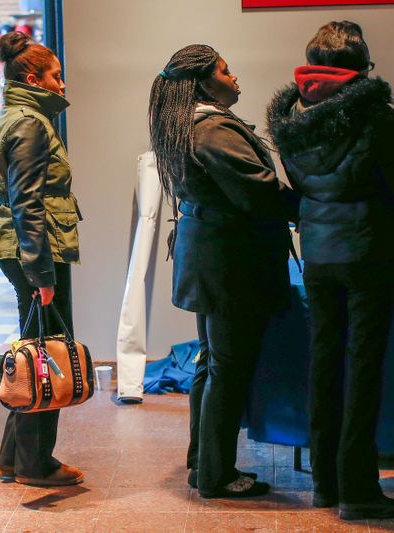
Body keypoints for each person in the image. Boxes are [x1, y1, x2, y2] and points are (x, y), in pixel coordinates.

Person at [148, 45, 297, 498]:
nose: (235, 78)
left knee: (212, 364)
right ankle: (215, 474)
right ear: (204, 82)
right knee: (226, 370)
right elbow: (259, 191)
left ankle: (203, 465)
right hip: (230, 265)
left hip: (212, 261)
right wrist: (317, 202)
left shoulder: (188, 123)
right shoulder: (212, 129)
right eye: (226, 72)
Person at [267, 21, 394, 520]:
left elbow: (301, 188)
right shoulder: (378, 118)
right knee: (362, 370)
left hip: (319, 253)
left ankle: (326, 482)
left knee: (323, 364)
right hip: (370, 253)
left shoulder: (294, 120)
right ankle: (360, 490)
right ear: (360, 67)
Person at [0, 31, 84, 487]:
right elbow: (27, 202)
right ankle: (35, 462)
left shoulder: (18, 117)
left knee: (36, 350)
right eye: (56, 76)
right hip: (37, 250)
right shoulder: (30, 123)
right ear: (33, 78)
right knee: (47, 356)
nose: (63, 85)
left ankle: (13, 457)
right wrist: (41, 272)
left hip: (32, 248)